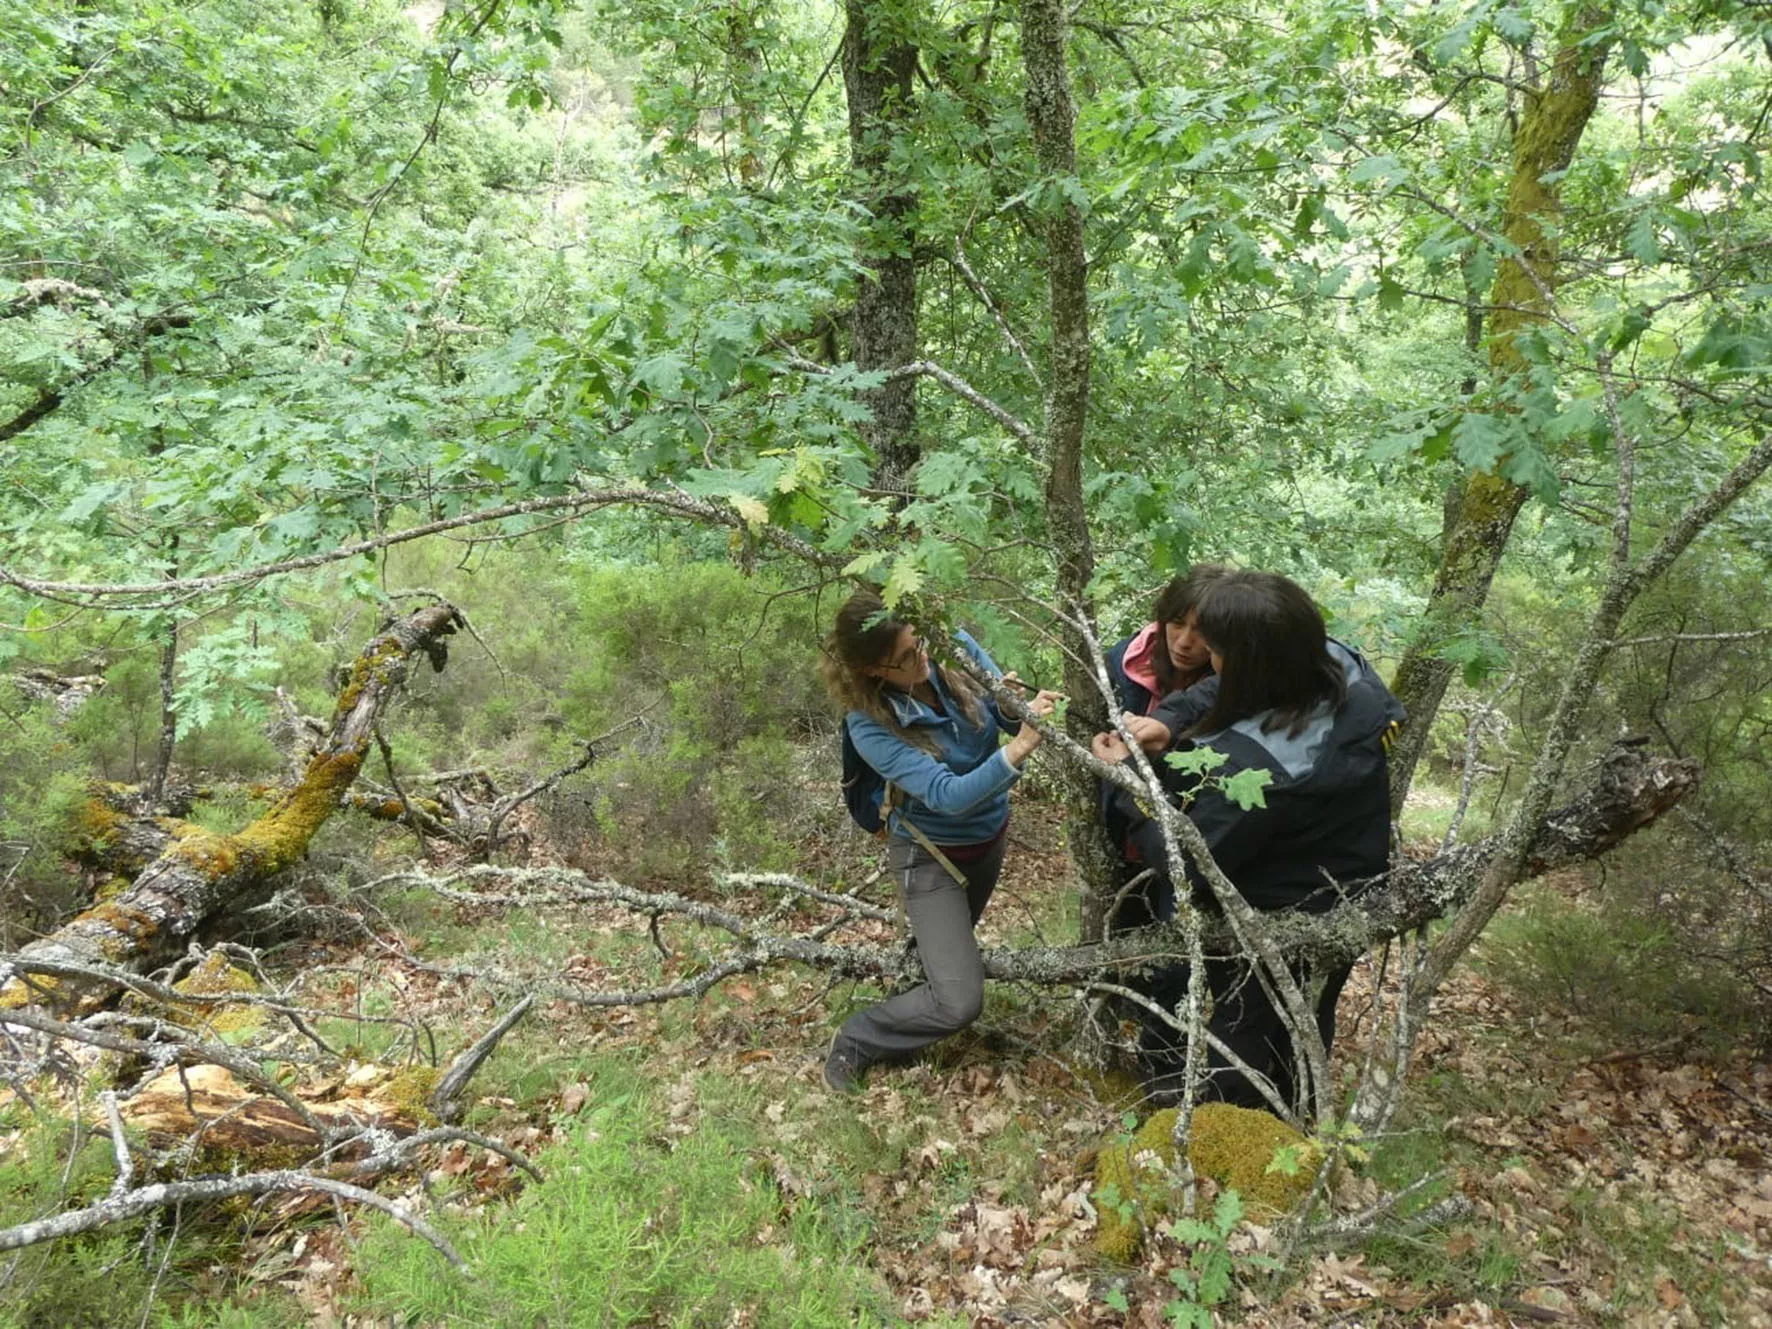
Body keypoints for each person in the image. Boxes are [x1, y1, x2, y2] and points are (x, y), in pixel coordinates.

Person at [1091, 570, 1404, 1114]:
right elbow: (1225, 687)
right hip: (1343, 873)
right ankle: (1289, 1110)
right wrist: (1170, 721)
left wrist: (1128, 783)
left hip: (1285, 912)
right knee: (1300, 1021)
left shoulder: (1265, 770)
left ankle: (1248, 1132)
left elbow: (1183, 857)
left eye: (1217, 652)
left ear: (1251, 664)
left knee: (1250, 1040)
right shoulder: (1330, 660)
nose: (1208, 660)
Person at [820, 590, 1060, 1094]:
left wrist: (1013, 709)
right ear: (873, 671)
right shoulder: (868, 725)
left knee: (938, 960)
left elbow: (997, 717)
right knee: (958, 1001)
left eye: (921, 641)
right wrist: (1021, 746)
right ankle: (859, 1038)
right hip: (930, 857)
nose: (923, 657)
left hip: (987, 839)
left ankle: (907, 1016)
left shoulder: (953, 647)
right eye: (906, 657)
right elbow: (948, 796)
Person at [1099, 564, 1228, 928]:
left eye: (1202, 631)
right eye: (1177, 623)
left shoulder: (1233, 684)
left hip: (1190, 849)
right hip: (1122, 839)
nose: (1184, 641)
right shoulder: (1121, 664)